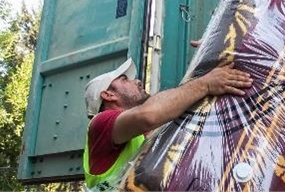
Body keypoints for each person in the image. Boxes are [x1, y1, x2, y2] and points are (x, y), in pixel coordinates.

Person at [83, 58, 252, 190]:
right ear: (108, 95)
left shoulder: (138, 137)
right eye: (125, 79)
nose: (138, 82)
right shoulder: (101, 122)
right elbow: (149, 115)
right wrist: (205, 84)